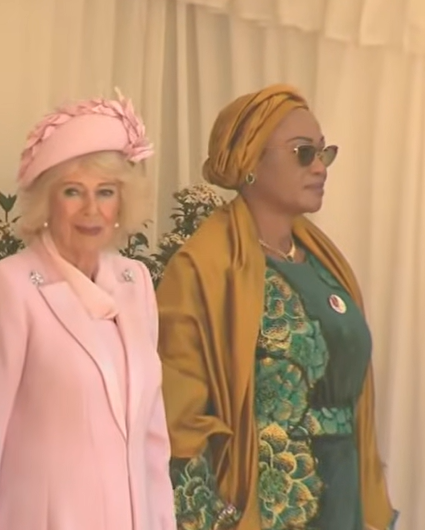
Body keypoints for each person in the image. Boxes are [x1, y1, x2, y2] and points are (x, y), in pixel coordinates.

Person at [156, 84, 398, 530]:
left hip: (345, 496)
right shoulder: (202, 268)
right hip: (265, 508)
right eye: (303, 153)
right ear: (250, 162)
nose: (320, 167)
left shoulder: (326, 264)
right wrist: (213, 519)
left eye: (325, 153)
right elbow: (180, 419)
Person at [0, 90, 177, 530]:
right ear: (46, 202)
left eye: (106, 192)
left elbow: (153, 439)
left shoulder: (135, 281)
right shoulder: (7, 285)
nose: (91, 210)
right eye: (73, 192)